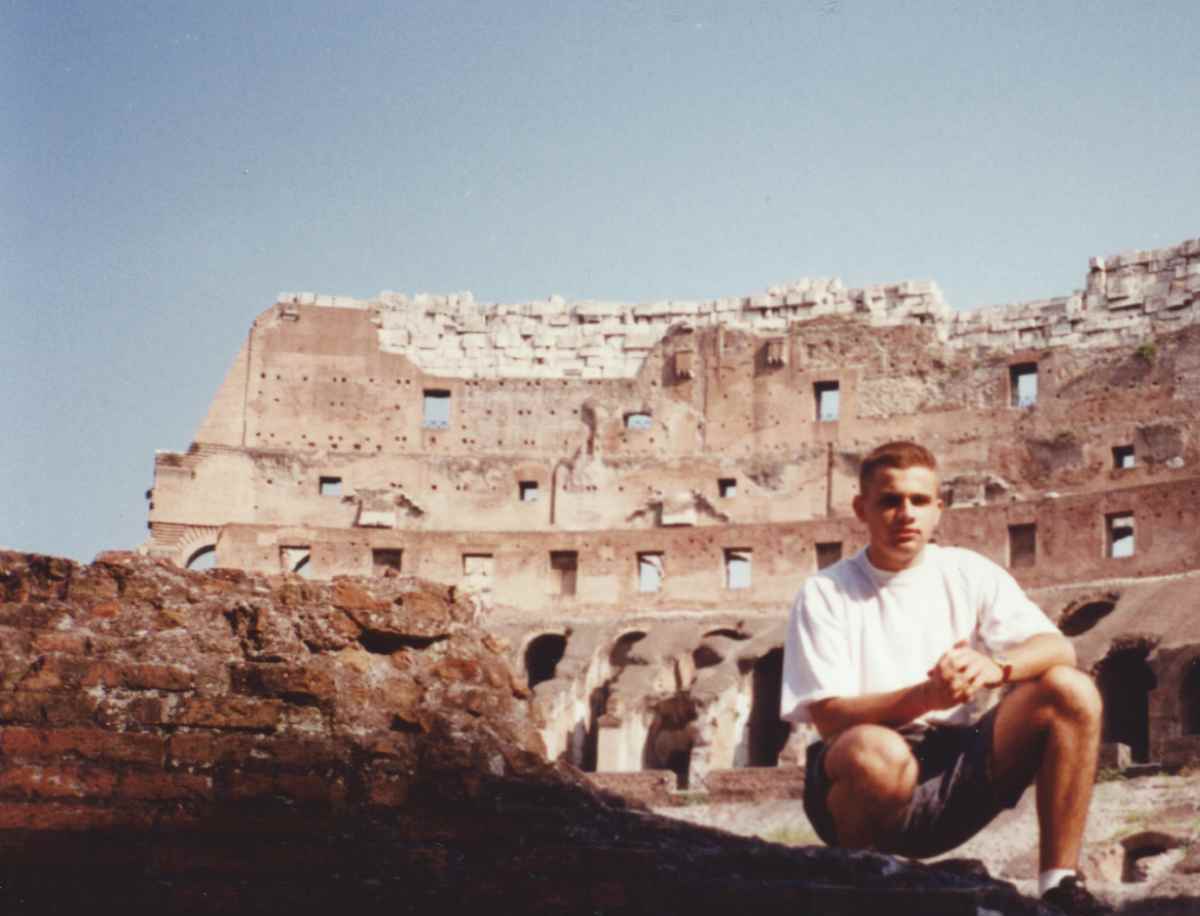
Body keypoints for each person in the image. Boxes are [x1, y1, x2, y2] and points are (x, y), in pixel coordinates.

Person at [781, 441, 1108, 915]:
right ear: (861, 509)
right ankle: (862, 884)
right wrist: (926, 696)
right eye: (890, 501)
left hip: (953, 767)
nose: (905, 514)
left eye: (919, 500)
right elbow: (829, 717)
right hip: (859, 775)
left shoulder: (966, 570)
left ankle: (1060, 885)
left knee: (1071, 690)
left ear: (939, 508)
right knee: (877, 752)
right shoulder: (825, 592)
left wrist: (996, 668)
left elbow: (1059, 648)